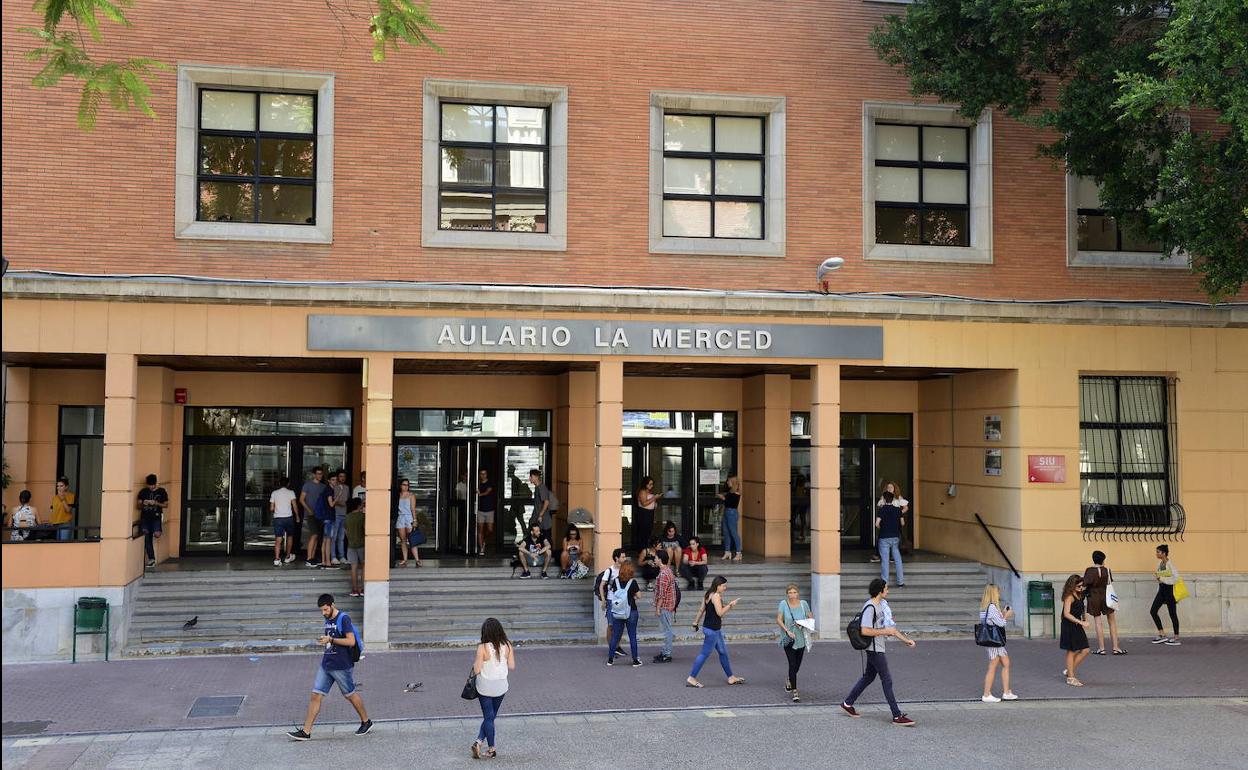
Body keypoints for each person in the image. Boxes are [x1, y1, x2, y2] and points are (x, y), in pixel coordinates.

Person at [287, 593, 372, 740]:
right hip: (327, 663)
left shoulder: (343, 618)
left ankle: (366, 721)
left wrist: (331, 639)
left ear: (332, 605)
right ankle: (306, 732)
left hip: (341, 665)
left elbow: (351, 641)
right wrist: (326, 641)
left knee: (350, 695)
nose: (323, 613)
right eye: (321, 610)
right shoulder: (328, 619)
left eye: (326, 609)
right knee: (315, 695)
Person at [840, 578, 917, 726]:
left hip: (878, 646)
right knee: (886, 680)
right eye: (886, 589)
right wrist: (884, 631)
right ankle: (896, 715)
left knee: (868, 677)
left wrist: (905, 640)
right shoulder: (870, 607)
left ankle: (847, 704)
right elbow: (865, 630)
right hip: (874, 649)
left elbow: (890, 629)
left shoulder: (881, 605)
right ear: (880, 591)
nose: (888, 591)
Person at [686, 576, 744, 687]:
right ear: (718, 586)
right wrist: (730, 605)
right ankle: (691, 678)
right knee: (704, 654)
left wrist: (695, 622)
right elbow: (720, 613)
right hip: (712, 630)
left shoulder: (708, 594)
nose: (725, 588)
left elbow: (701, 610)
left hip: (712, 629)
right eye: (724, 586)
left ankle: (731, 677)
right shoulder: (716, 596)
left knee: (723, 652)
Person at [471, 617, 515, 760]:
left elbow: (477, 670)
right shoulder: (507, 645)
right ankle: (478, 742)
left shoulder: (482, 648)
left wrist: (477, 662)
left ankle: (491, 749)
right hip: (501, 686)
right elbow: (512, 666)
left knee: (488, 717)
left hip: (485, 687)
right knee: (491, 716)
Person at [978, 583, 1018, 702]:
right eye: (998, 592)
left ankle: (1006, 691)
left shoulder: (984, 607)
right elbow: (1001, 623)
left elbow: (994, 620)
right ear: (993, 593)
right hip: (994, 642)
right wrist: (1007, 615)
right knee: (993, 666)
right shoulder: (991, 607)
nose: (999, 594)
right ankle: (986, 694)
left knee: (1006, 663)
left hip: (992, 641)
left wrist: (1002, 613)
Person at [776, 584, 814, 703]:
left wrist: (802, 623)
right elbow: (778, 619)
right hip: (788, 638)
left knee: (797, 665)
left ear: (798, 593)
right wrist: (787, 630)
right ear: (787, 594)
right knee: (792, 664)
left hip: (801, 638)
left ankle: (789, 679)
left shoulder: (804, 604)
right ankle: (795, 691)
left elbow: (810, 618)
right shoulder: (783, 604)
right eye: (790, 593)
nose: (792, 595)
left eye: (794, 592)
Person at [1083, 550, 1125, 655]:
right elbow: (1109, 582)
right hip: (1107, 597)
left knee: (1098, 622)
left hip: (1094, 597)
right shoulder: (1107, 570)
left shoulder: (1089, 570)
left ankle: (1102, 649)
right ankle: (1116, 648)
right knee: (1112, 622)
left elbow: (1085, 584)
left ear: (1093, 559)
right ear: (1103, 559)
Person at [606, 561, 642, 667]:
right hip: (631, 611)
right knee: (632, 637)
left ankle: (610, 659)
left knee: (615, 636)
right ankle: (635, 660)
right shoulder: (633, 582)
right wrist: (633, 596)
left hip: (618, 611)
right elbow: (639, 596)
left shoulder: (615, 581)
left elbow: (613, 594)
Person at [1059, 574, 1091, 686]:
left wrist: (1084, 619)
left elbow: (1081, 608)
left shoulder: (1080, 595)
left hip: (1077, 625)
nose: (1081, 588)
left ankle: (1069, 670)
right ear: (1072, 586)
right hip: (1069, 625)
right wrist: (1081, 622)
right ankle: (1071, 677)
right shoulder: (1069, 596)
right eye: (1078, 586)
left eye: (1082, 586)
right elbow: (1066, 614)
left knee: (1085, 650)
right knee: (1071, 651)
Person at [1150, 543, 1182, 646]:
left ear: (1164, 553)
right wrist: (1158, 577)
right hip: (1161, 590)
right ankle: (1162, 634)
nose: (1156, 554)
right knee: (1153, 611)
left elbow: (1176, 578)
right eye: (1157, 552)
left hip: (1169, 592)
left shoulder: (1170, 564)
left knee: (1172, 614)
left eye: (1158, 552)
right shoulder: (1160, 564)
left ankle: (1176, 637)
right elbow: (1161, 576)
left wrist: (1162, 579)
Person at [135, 473, 169, 568]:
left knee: (157, 534)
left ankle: (154, 532)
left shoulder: (162, 491)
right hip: (145, 517)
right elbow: (138, 505)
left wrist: (156, 503)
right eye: (149, 485)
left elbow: (166, 505)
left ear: (155, 483)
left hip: (156, 517)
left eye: (152, 485)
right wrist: (144, 503)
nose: (151, 487)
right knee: (146, 538)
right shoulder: (143, 492)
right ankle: (151, 559)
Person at [872, 481, 909, 563]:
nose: (889, 489)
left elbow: (906, 508)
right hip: (885, 520)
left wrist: (898, 514)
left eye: (891, 487)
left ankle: (893, 556)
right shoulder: (884, 497)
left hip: (895, 520)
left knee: (896, 537)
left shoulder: (898, 497)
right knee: (881, 537)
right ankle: (878, 555)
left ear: (894, 489)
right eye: (888, 487)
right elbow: (880, 507)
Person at [875, 490, 906, 587]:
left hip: (884, 537)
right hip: (895, 537)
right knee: (897, 559)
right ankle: (900, 582)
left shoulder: (882, 509)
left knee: (885, 560)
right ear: (893, 499)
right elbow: (902, 523)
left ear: (884, 499)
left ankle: (884, 583)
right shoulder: (897, 510)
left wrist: (883, 527)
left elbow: (877, 524)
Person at [299, 468, 328, 568]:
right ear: (314, 474)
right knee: (314, 535)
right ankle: (308, 558)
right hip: (311, 514)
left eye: (321, 474)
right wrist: (309, 509)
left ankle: (312, 557)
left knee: (317, 537)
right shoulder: (307, 485)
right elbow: (301, 499)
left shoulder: (323, 487)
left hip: (320, 515)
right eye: (318, 474)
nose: (320, 476)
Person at [652, 550, 677, 663]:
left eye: (656, 557)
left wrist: (657, 608)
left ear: (660, 559)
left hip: (665, 606)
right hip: (669, 604)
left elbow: (661, 594)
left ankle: (666, 654)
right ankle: (665, 652)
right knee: (667, 629)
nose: (654, 559)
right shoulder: (668, 571)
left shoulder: (663, 574)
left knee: (667, 631)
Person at [270, 476, 299, 566]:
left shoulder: (274, 493)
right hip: (288, 518)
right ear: (288, 484)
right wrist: (297, 516)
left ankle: (277, 559)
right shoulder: (291, 493)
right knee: (290, 537)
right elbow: (294, 505)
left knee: (278, 539)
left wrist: (276, 510)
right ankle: (287, 557)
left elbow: (271, 508)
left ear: (279, 483)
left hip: (278, 518)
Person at [528, 469, 559, 547]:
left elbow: (546, 502)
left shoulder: (541, 488)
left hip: (543, 520)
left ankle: (549, 555)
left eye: (531, 476)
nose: (529, 478)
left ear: (535, 477)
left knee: (545, 537)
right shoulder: (537, 488)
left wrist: (541, 515)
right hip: (538, 518)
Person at [716, 475, 742, 561]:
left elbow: (731, 503)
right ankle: (727, 552)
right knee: (726, 532)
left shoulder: (736, 492)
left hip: (732, 513)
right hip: (727, 512)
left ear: (733, 482)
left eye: (729, 481)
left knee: (733, 533)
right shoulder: (730, 491)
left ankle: (738, 553)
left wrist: (723, 498)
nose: (727, 483)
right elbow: (726, 501)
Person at [344, 497, 366, 597]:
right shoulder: (362, 516)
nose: (362, 505)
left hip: (351, 546)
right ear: (358, 505)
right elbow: (365, 530)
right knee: (364, 567)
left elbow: (346, 532)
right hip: (362, 544)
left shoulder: (347, 517)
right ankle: (363, 589)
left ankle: (354, 589)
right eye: (361, 504)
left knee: (353, 568)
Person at [634, 476, 659, 552]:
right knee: (644, 532)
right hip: (644, 514)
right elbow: (644, 503)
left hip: (650, 513)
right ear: (645, 484)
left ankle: (645, 549)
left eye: (652, 484)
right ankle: (642, 550)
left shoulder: (649, 491)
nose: (652, 486)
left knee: (648, 531)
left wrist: (655, 503)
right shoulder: (642, 491)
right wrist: (654, 498)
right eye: (650, 484)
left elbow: (650, 502)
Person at [330, 471, 350, 566]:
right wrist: (340, 503)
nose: (342, 478)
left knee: (341, 538)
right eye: (340, 476)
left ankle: (342, 556)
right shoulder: (334, 487)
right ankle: (333, 557)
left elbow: (348, 500)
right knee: (334, 537)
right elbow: (332, 501)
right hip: (336, 514)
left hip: (344, 514)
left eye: (344, 476)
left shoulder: (346, 487)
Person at [395, 478, 415, 567]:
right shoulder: (398, 495)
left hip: (409, 517)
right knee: (403, 540)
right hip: (400, 518)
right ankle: (405, 559)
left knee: (412, 539)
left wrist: (415, 520)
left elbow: (413, 509)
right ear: (400, 485)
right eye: (404, 484)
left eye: (407, 485)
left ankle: (417, 559)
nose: (406, 486)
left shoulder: (411, 495)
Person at [476, 468, 496, 557]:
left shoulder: (490, 483)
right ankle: (481, 548)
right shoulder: (477, 483)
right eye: (481, 474)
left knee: (490, 530)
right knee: (480, 530)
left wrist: (480, 494)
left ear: (487, 474)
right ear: (479, 475)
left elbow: (488, 491)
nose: (483, 475)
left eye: (484, 473)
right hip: (480, 510)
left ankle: (484, 541)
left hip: (490, 510)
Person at [49, 476, 76, 542]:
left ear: (66, 487)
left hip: (65, 523)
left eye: (61, 486)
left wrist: (63, 499)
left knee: (64, 544)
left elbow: (68, 510)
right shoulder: (55, 497)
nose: (59, 488)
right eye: (58, 486)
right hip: (55, 524)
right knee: (56, 545)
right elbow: (52, 510)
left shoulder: (71, 496)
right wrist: (51, 521)